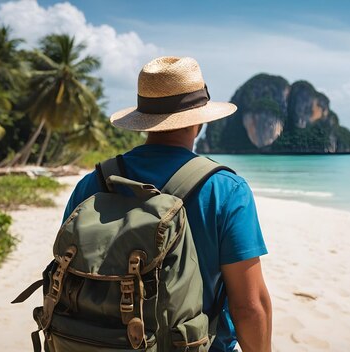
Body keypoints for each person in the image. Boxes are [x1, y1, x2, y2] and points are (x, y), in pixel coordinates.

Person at [62, 56, 272, 352]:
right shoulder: (226, 190)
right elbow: (249, 306)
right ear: (199, 120)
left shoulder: (92, 184)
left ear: (142, 120)